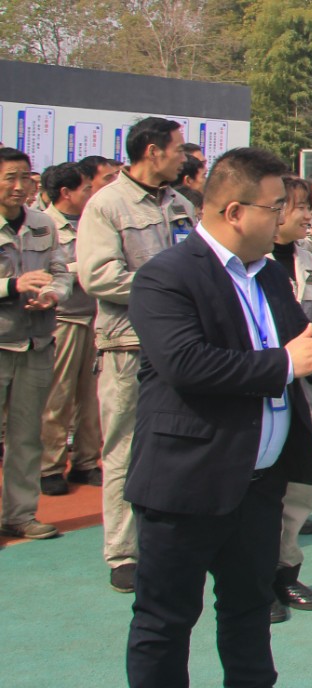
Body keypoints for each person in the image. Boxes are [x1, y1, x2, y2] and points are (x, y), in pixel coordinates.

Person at [123, 147, 312, 688]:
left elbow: (299, 345)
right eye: (276, 207)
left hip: (257, 484)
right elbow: (185, 364)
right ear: (234, 212)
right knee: (166, 620)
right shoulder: (166, 276)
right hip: (187, 481)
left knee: (249, 609)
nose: (287, 217)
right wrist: (289, 363)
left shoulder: (270, 275)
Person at [78, 117, 197, 593]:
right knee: (125, 447)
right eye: (176, 149)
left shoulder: (180, 204)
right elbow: (98, 276)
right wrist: (166, 289)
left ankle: (170, 534)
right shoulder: (106, 205)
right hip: (129, 344)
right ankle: (124, 551)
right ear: (152, 151)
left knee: (178, 442)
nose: (182, 158)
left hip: (182, 344)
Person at [267, 175, 312, 623]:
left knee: (297, 492)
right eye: (298, 206)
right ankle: (257, 581)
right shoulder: (246, 265)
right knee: (259, 494)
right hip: (262, 388)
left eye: (310, 206)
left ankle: (287, 571)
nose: (308, 214)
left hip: (304, 390)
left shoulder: (308, 259)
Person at [0, 148, 71, 541]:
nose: (18, 186)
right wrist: (12, 285)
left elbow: (61, 270)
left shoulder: (43, 224)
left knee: (27, 436)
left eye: (25, 177)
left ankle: (20, 514)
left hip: (36, 344)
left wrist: (53, 294)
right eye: (10, 177)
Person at [38, 164, 103, 497]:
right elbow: (47, 272)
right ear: (65, 193)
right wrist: (86, 267)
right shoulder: (44, 225)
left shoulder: (93, 220)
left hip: (94, 316)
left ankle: (86, 461)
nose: (90, 195)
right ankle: (49, 466)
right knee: (58, 397)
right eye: (85, 189)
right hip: (62, 320)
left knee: (91, 398)